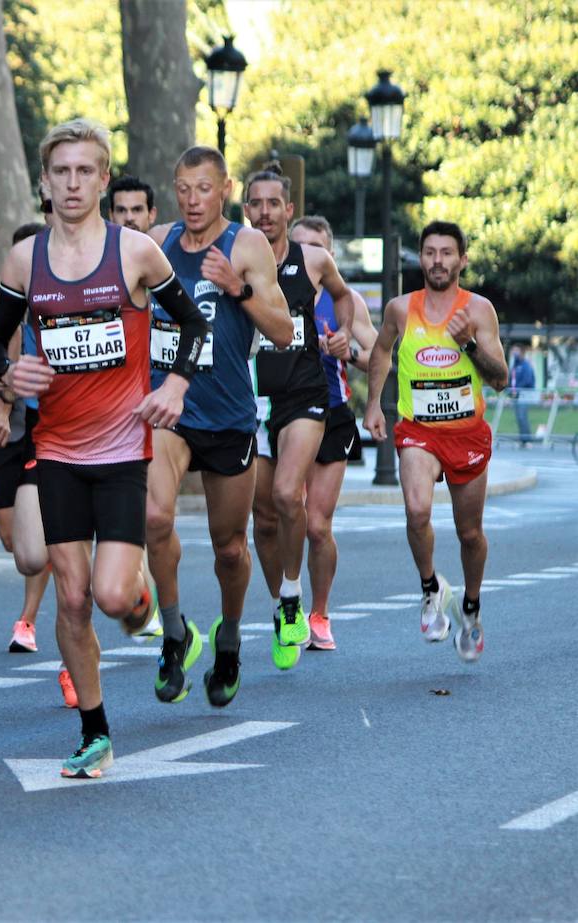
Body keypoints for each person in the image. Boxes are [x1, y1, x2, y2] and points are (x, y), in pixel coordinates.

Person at [0, 119, 208, 777]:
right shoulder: (26, 261)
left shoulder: (135, 253)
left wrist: (176, 387)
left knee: (111, 596)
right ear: (45, 182)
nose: (73, 183)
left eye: (86, 171)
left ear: (104, 179)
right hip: (55, 451)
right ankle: (95, 730)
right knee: (72, 598)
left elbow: (190, 323)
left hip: (121, 449)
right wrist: (5, 376)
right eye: (61, 172)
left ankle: (145, 607)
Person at [144, 146, 293, 709]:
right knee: (155, 516)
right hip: (170, 411)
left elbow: (282, 332)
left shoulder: (246, 245)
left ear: (224, 189)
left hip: (228, 414)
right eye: (182, 188)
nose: (191, 200)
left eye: (202, 189)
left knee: (229, 548)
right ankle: (176, 631)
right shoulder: (158, 244)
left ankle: (228, 638)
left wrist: (239, 288)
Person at [364, 221, 505, 663]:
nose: (437, 261)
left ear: (462, 260)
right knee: (417, 510)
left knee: (470, 533)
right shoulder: (401, 309)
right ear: (420, 258)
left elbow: (499, 379)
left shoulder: (478, 310)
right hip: (418, 431)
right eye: (430, 252)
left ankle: (471, 605)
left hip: (466, 433)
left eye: (447, 253)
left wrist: (467, 346)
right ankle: (431, 588)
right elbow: (382, 350)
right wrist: (372, 404)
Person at [242, 168, 355, 669]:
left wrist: (343, 334)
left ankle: (298, 596)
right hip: (251, 397)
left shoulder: (313, 260)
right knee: (263, 519)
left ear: (289, 210)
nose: (264, 211)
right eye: (255, 203)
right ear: (245, 209)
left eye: (274, 203)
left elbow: (346, 298)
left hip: (305, 395)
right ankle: (284, 605)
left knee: (290, 495)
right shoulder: (232, 260)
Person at [287, 216, 377, 650]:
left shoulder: (347, 301)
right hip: (281, 413)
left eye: (317, 247)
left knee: (317, 525)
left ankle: (319, 614)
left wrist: (349, 348)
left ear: (331, 256)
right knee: (283, 516)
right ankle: (286, 602)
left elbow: (379, 355)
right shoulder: (272, 290)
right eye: (299, 246)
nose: (309, 255)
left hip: (332, 413)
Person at [0, 223, 50, 658]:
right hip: (8, 428)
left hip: (49, 429)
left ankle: (27, 619)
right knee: (13, 540)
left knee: (39, 539)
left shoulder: (61, 302)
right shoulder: (2, 308)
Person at [509, 344, 535, 445]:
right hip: (516, 395)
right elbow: (512, 379)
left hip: (523, 394)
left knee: (522, 416)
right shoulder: (514, 365)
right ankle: (522, 438)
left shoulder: (525, 365)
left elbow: (527, 380)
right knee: (519, 417)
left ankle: (527, 439)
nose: (514, 353)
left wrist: (517, 390)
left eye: (516, 351)